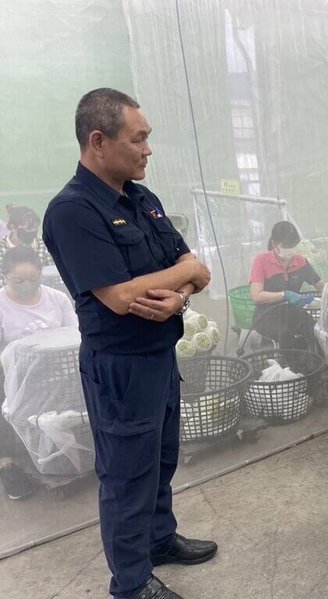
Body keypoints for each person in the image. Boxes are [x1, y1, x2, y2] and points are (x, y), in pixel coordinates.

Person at [42, 88, 215, 599]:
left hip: (159, 355)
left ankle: (159, 540)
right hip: (119, 367)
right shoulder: (72, 211)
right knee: (125, 476)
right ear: (99, 141)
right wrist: (184, 272)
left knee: (161, 459)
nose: (148, 149)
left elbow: (198, 271)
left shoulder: (143, 200)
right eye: (138, 138)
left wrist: (180, 293)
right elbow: (118, 296)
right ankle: (132, 582)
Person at [0, 246, 79, 500]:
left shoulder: (57, 299)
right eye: (18, 281)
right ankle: (7, 464)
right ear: (5, 277)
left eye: (33, 279)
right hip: (14, 374)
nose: (26, 285)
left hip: (60, 369)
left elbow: (75, 337)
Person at [249, 221, 324, 350]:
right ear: (274, 244)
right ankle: (293, 367)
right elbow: (256, 296)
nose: (290, 249)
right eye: (286, 245)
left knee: (315, 331)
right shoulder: (261, 261)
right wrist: (284, 294)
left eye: (293, 245)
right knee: (286, 336)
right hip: (266, 316)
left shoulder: (300, 261)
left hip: (292, 312)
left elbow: (321, 286)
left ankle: (317, 362)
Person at [0, 205, 53, 286]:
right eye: (28, 229)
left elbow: (52, 276)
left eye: (35, 228)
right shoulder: (1, 249)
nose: (32, 232)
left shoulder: (44, 246)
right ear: (12, 227)